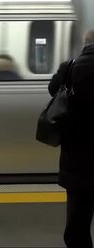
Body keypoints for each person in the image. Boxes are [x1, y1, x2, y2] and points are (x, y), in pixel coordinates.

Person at [49, 30, 94, 248]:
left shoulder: (70, 67)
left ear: (85, 44)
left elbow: (52, 91)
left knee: (77, 221)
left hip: (77, 157)